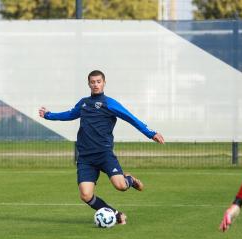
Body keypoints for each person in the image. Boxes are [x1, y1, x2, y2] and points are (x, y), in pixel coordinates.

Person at [39, 70, 164, 224]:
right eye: (93, 82)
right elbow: (69, 114)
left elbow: (131, 118)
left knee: (121, 186)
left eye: (98, 81)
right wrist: (48, 115)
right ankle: (116, 215)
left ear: (104, 83)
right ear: (89, 84)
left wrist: (150, 133)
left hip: (104, 154)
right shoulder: (83, 103)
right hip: (85, 157)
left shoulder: (110, 103)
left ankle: (129, 179)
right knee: (85, 195)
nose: (95, 84)